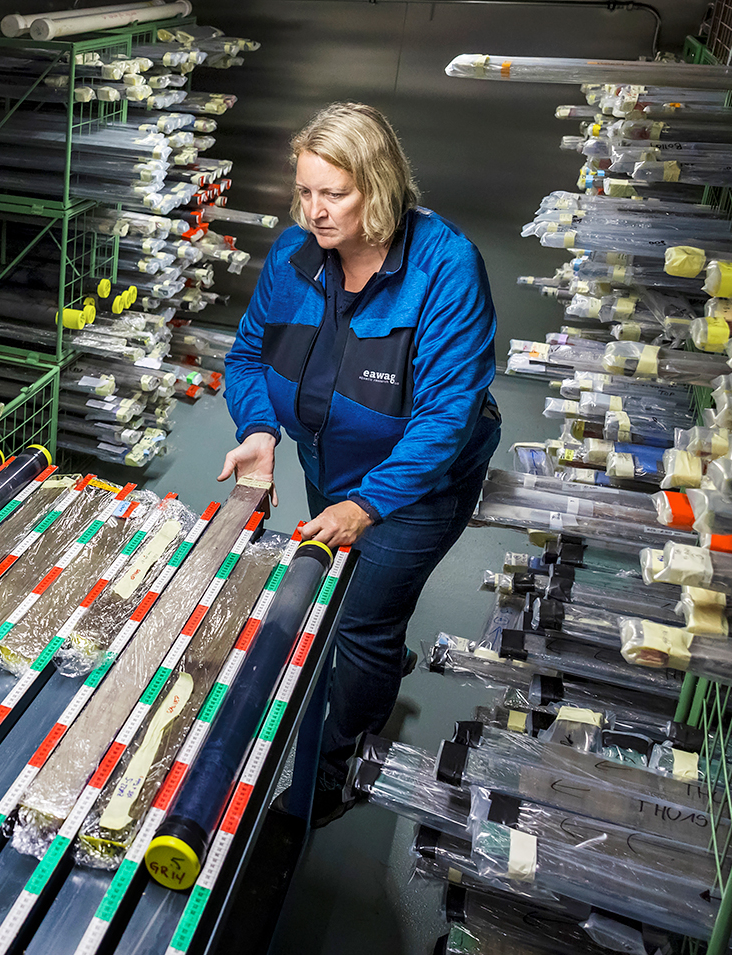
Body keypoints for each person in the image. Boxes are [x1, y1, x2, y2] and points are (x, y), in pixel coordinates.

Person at [219, 102, 501, 826]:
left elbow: (444, 417)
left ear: (378, 185)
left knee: (364, 623)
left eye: (334, 193)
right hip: (328, 458)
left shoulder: (445, 268)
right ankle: (372, 659)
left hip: (417, 485)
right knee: (345, 593)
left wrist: (365, 505)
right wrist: (259, 429)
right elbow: (249, 352)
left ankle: (340, 764)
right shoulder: (293, 256)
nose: (314, 211)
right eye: (306, 192)